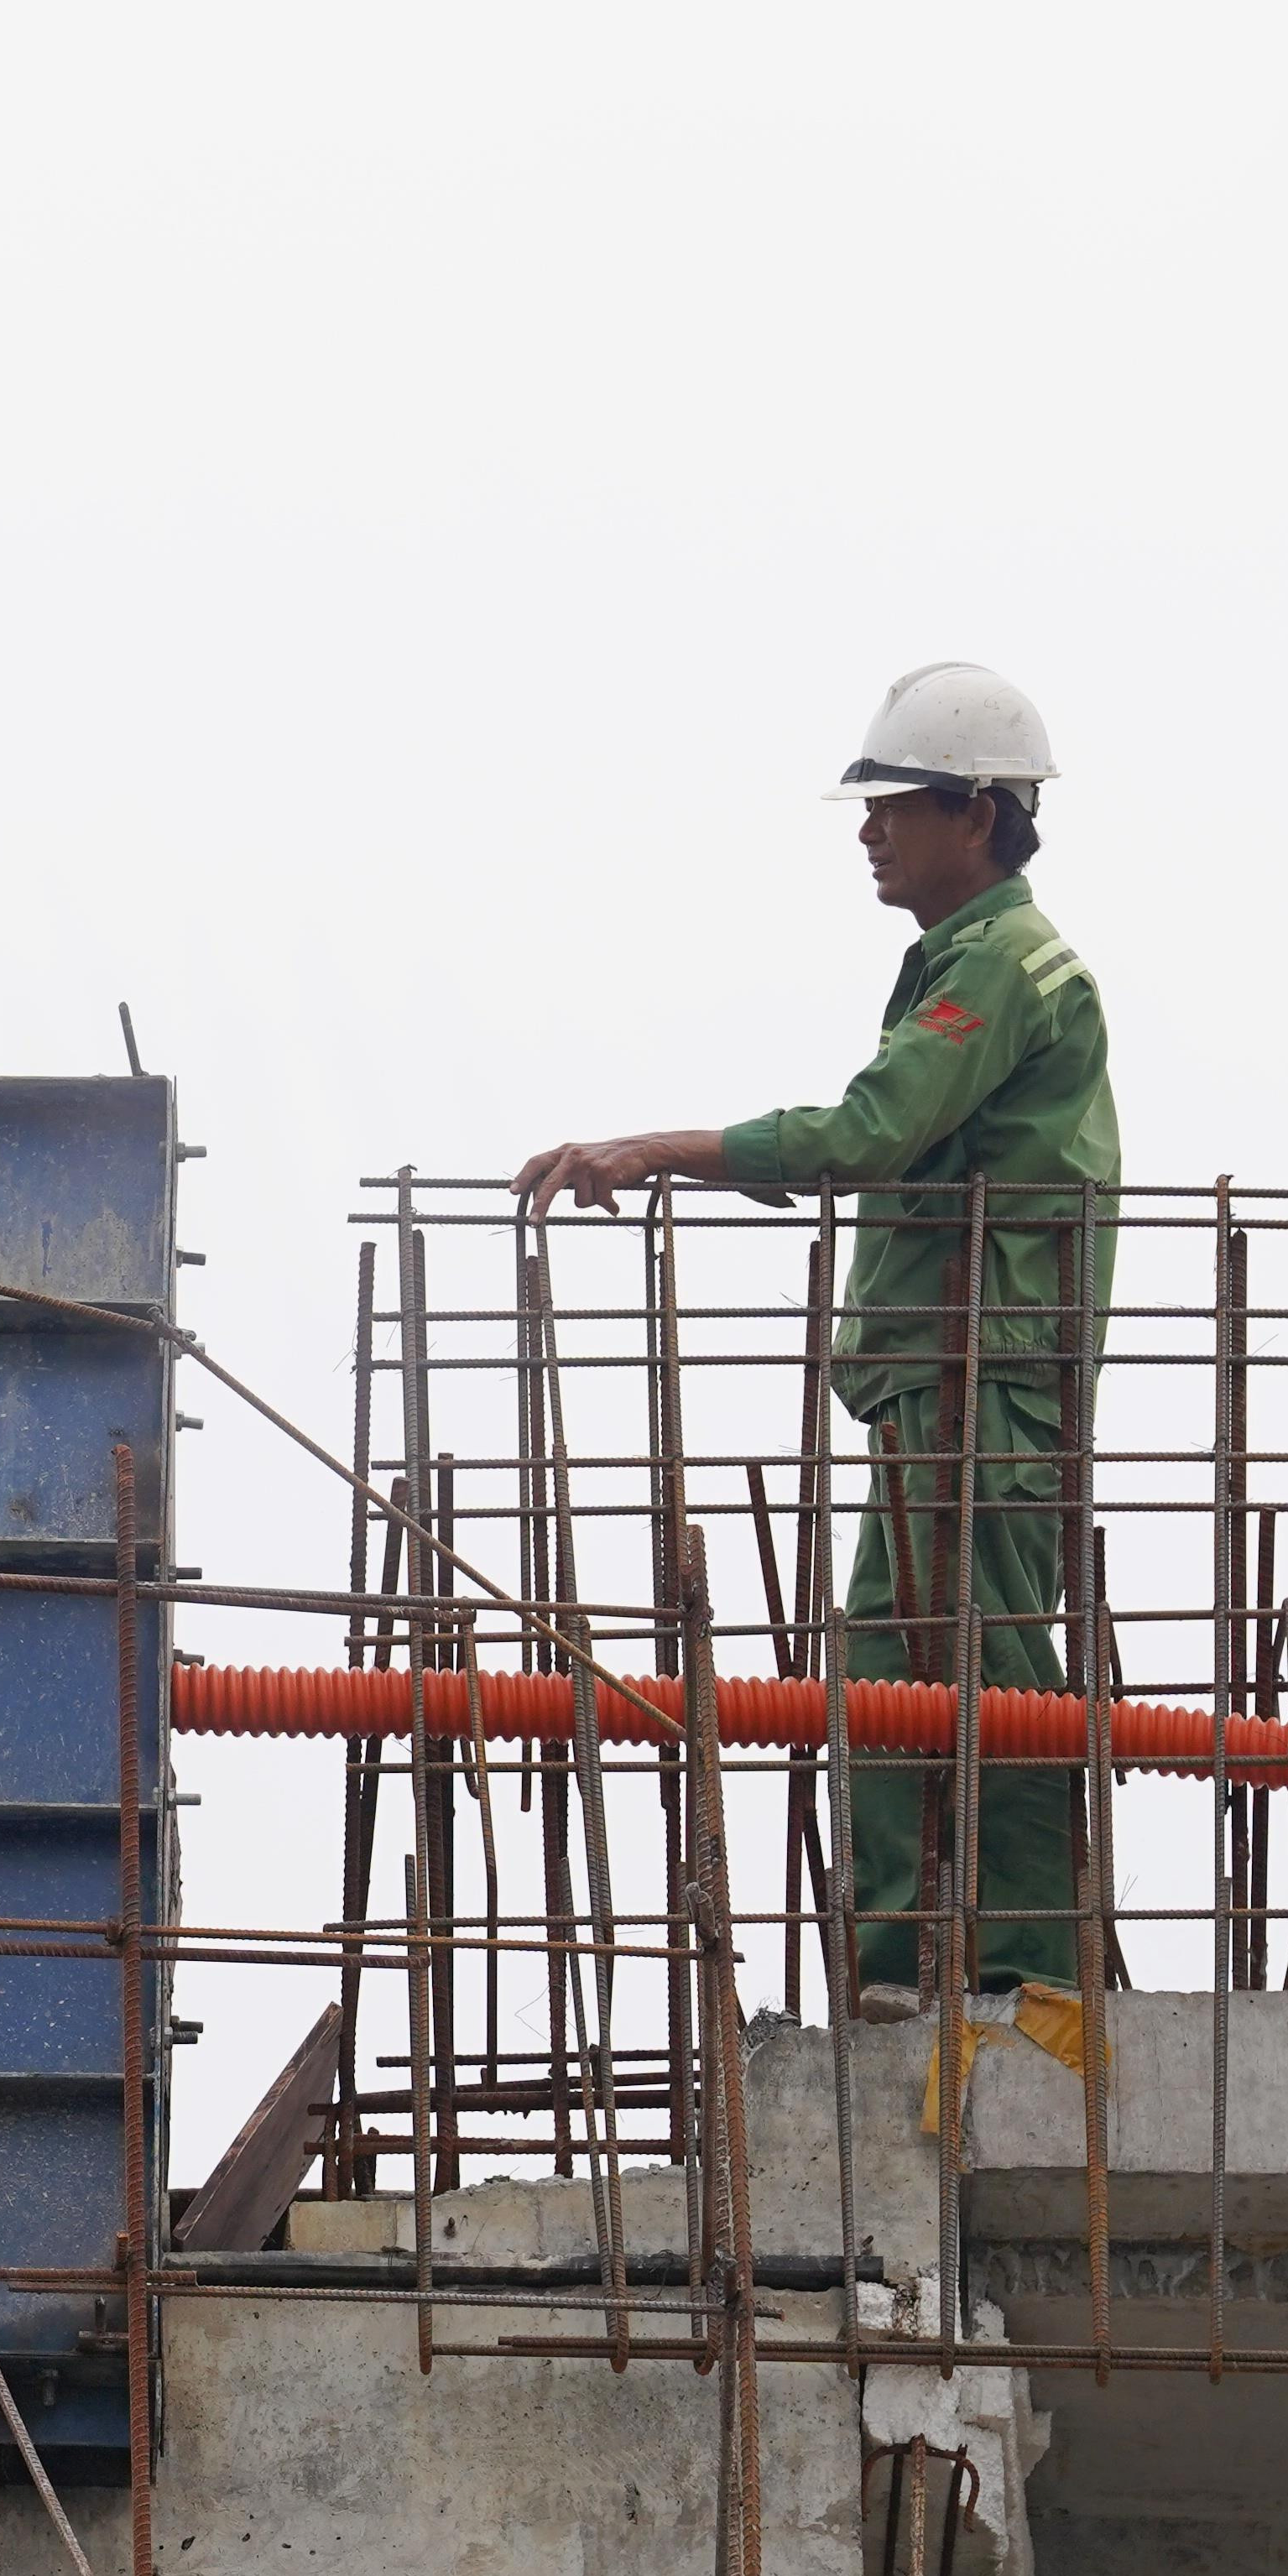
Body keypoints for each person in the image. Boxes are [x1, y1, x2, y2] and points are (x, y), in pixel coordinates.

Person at [512, 663, 1116, 2014]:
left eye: (895, 806)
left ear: (977, 813)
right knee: (891, 1668)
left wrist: (655, 1148)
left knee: (992, 1664)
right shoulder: (965, 963)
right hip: (936, 1375)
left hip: (986, 1375)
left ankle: (1038, 1980)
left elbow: (868, 1133)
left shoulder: (1005, 967)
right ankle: (905, 1971)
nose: (870, 832)